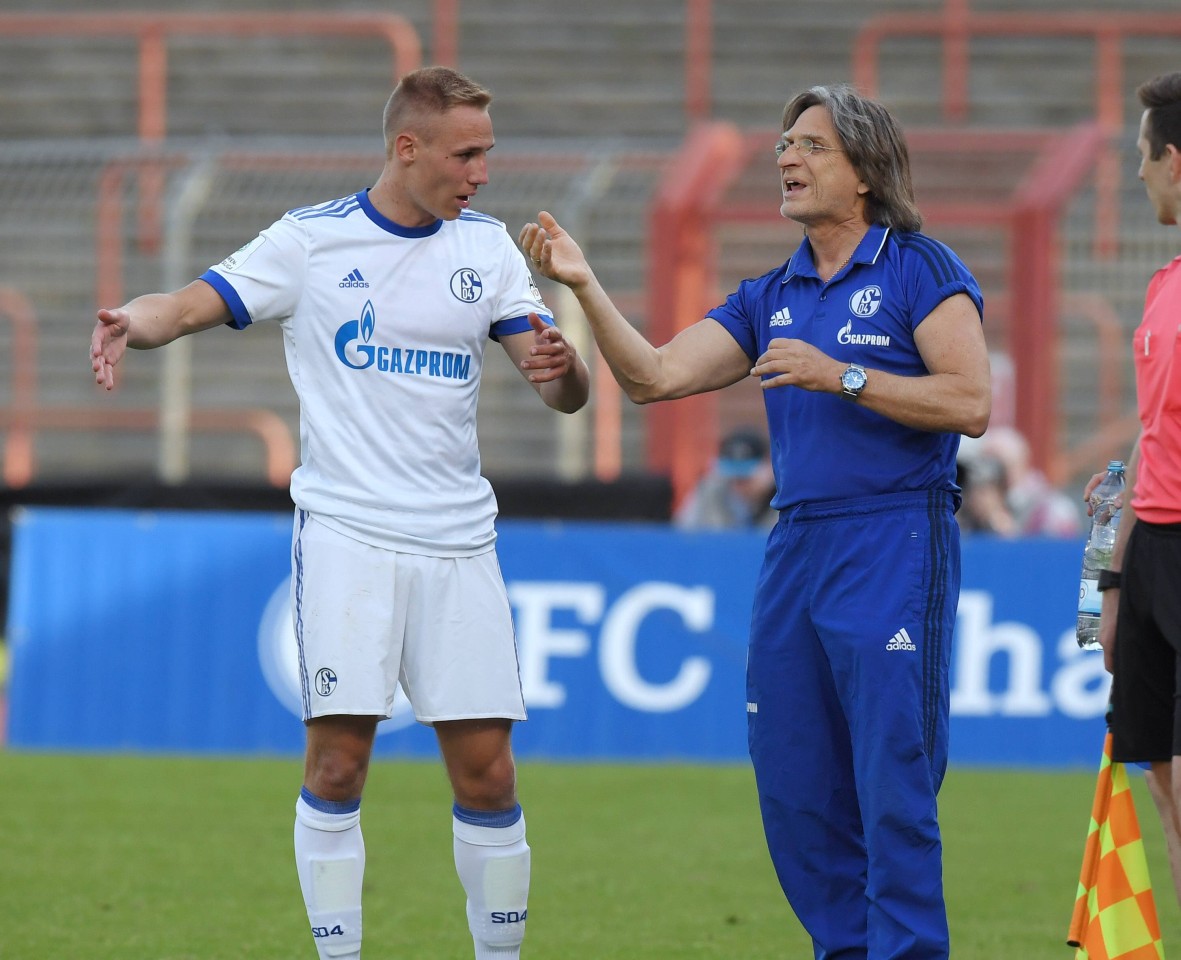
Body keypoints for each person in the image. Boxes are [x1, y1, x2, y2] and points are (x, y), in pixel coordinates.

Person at [90, 66, 589, 960]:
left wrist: (567, 372)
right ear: (408, 148)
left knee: (488, 773)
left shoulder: (486, 249)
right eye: (466, 153)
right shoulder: (309, 243)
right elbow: (195, 303)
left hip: (458, 544)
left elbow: (560, 393)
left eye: (487, 153)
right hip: (350, 538)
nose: (481, 172)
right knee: (337, 765)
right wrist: (138, 316)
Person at [522, 82, 989, 959]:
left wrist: (842, 375)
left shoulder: (918, 268)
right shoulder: (767, 294)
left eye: (811, 144)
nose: (787, 156)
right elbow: (655, 376)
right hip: (796, 545)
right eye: (783, 142)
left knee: (890, 778)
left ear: (864, 172)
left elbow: (970, 401)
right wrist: (582, 284)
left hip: (893, 534)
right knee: (794, 782)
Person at [1088, 70, 1181, 909]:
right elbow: (1152, 440)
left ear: (1174, 162)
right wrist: (1111, 587)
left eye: (1142, 156)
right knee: (1161, 778)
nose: (1136, 172)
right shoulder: (1162, 289)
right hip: (1151, 550)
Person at [981, 424, 1081, 536]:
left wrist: (1006, 528)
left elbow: (1056, 549)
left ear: (1018, 464)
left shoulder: (1053, 508)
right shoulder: (977, 508)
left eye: (997, 466)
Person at [674, 426, 777, 529]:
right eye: (732, 476)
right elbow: (682, 532)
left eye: (744, 477)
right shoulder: (710, 490)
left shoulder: (784, 499)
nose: (738, 485)